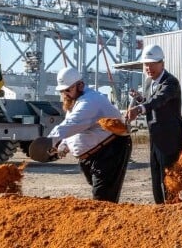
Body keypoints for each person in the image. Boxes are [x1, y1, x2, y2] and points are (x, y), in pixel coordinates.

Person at [47, 67, 132, 203]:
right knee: (99, 194)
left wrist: (49, 141)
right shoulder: (74, 101)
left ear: (80, 85)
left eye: (68, 90)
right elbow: (73, 127)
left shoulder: (90, 101)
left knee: (103, 198)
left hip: (110, 150)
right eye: (62, 91)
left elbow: (73, 123)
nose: (65, 94)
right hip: (91, 155)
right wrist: (64, 144)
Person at [125, 44, 182, 204]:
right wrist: (140, 99)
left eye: (152, 64)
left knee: (169, 179)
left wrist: (139, 108)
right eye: (146, 64)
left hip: (170, 138)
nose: (148, 67)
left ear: (162, 64)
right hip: (155, 137)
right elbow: (149, 101)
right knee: (156, 176)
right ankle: (160, 210)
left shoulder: (170, 82)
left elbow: (158, 100)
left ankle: (173, 211)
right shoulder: (147, 83)